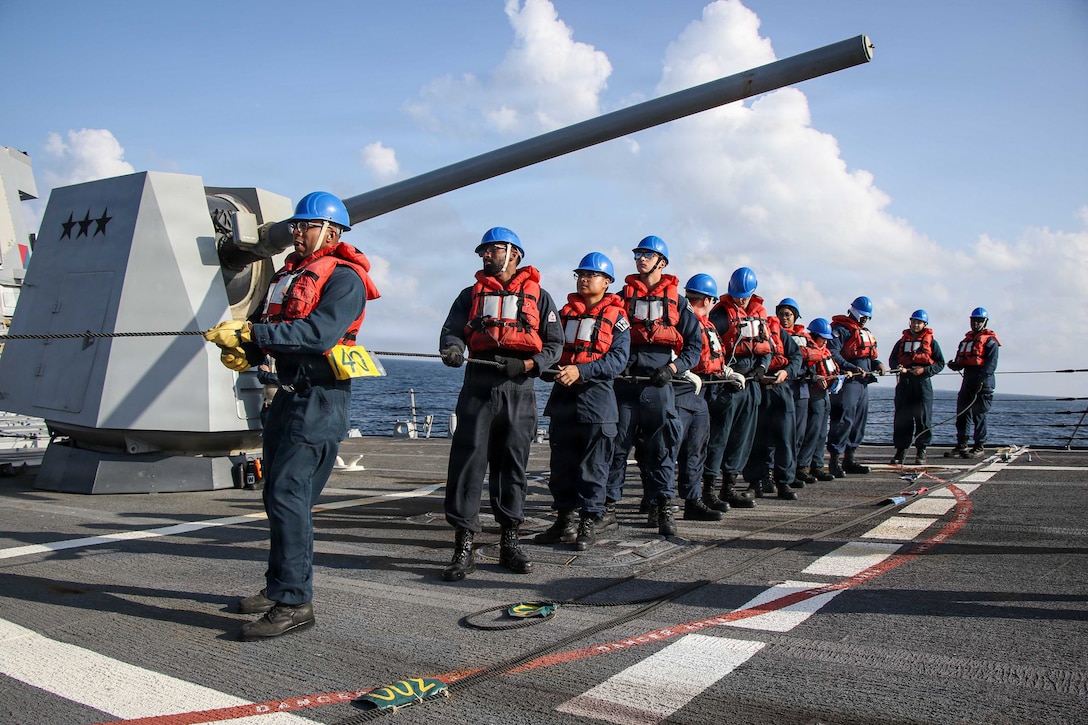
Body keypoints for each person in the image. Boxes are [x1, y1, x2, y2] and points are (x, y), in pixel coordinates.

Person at [204, 191, 380, 641]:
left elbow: (319, 333)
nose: (296, 232)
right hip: (286, 396)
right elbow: (274, 327)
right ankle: (279, 587)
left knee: (288, 495)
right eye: (296, 226)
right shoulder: (290, 276)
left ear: (331, 232)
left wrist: (252, 331)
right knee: (277, 498)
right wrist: (245, 347)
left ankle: (296, 603)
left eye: (305, 226)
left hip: (319, 400)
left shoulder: (344, 280)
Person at [438, 227, 563, 581]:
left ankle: (510, 541)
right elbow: (452, 330)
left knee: (513, 466)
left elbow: (554, 346)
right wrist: (452, 348)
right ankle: (464, 546)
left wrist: (526, 365)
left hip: (519, 387)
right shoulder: (469, 295)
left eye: (490, 250)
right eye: (483, 252)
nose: (484, 256)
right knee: (467, 465)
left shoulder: (540, 297)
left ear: (513, 254)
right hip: (478, 383)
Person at [606, 236, 703, 536]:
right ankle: (606, 507)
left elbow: (694, 346)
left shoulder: (678, 302)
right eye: (637, 254)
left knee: (662, 448)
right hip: (625, 384)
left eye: (647, 255)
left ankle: (663, 507)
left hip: (658, 383)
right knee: (617, 445)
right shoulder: (622, 297)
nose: (640, 259)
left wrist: (672, 368)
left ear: (662, 262)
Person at [536, 252, 630, 551]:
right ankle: (564, 520)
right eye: (580, 274)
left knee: (594, 467)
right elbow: (550, 349)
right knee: (561, 465)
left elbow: (617, 361)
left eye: (590, 275)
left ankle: (589, 520)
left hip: (597, 404)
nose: (583, 279)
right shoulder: (564, 315)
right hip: (563, 401)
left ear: (607, 282)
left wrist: (582, 370)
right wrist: (547, 370)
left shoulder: (618, 318)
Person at [702, 267, 771, 505]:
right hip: (727, 383)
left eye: (745, 295)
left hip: (751, 382)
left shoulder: (759, 315)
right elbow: (710, 345)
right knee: (719, 436)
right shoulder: (721, 315)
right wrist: (725, 373)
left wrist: (762, 367)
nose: (741, 299)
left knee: (742, 437)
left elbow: (766, 346)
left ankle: (729, 486)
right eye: (737, 294)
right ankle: (709, 489)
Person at [677, 274, 741, 518]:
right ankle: (656, 503)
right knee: (671, 449)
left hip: (706, 389)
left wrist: (727, 372)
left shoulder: (707, 323)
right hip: (685, 388)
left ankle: (694, 499)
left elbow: (714, 354)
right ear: (708, 299)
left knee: (697, 448)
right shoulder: (684, 321)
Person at [742, 298, 803, 499]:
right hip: (758, 389)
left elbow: (796, 357)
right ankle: (754, 482)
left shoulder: (780, 334)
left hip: (781, 390)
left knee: (786, 439)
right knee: (756, 439)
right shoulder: (750, 332)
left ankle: (784, 482)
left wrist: (786, 372)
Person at [826, 296, 886, 477]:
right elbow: (833, 353)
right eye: (863, 316)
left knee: (859, 421)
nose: (865, 320)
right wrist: (851, 367)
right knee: (843, 419)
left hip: (863, 382)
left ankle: (850, 458)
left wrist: (877, 364)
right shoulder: (840, 330)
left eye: (867, 317)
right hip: (848, 382)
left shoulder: (864, 332)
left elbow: (869, 356)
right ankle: (835, 459)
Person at [888, 309, 946, 465]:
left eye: (919, 322)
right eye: (913, 321)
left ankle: (921, 451)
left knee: (923, 419)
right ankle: (901, 450)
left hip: (922, 383)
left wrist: (924, 370)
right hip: (904, 383)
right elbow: (892, 359)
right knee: (902, 418)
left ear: (924, 324)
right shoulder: (901, 342)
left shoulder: (932, 342)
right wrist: (897, 367)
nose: (915, 324)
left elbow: (941, 363)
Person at [945, 306, 1000, 458]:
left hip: (983, 383)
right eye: (974, 320)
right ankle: (961, 445)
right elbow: (963, 361)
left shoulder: (990, 342)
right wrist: (955, 365)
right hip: (968, 380)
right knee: (962, 414)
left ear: (985, 322)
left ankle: (979, 446)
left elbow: (991, 365)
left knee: (979, 415)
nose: (976, 323)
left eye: (979, 321)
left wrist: (981, 382)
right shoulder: (966, 341)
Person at [797, 317, 841, 481]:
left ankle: (817, 465)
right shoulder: (809, 351)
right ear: (815, 336)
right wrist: (815, 377)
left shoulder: (825, 351)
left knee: (822, 433)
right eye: (823, 338)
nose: (825, 342)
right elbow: (804, 371)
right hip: (814, 395)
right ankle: (802, 466)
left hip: (825, 395)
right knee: (812, 431)